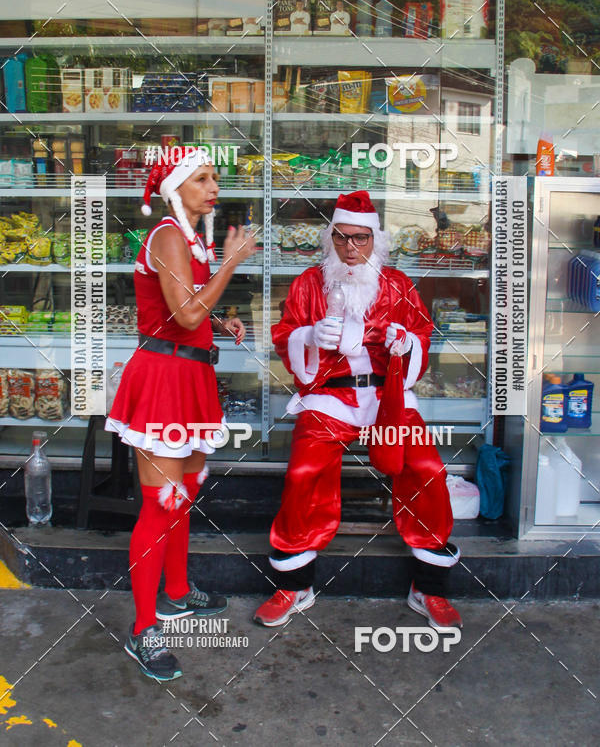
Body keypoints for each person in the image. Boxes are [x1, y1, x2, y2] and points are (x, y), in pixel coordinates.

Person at [254, 191, 462, 630]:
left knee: (426, 465)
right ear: (330, 239)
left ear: (376, 241)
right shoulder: (309, 284)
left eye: (361, 239)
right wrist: (308, 336)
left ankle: (428, 585)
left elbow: (422, 334)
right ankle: (295, 583)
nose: (351, 248)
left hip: (388, 398)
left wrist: (407, 345)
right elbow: (284, 335)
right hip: (329, 397)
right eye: (342, 238)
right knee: (302, 471)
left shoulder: (398, 284)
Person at [106, 146, 256, 681]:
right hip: (164, 381)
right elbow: (185, 309)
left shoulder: (191, 239)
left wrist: (219, 325)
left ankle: (175, 592)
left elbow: (190, 314)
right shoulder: (168, 234)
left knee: (183, 496)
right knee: (160, 504)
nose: (214, 186)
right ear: (175, 186)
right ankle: (143, 628)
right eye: (202, 177)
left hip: (188, 373)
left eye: (215, 176)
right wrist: (233, 265)